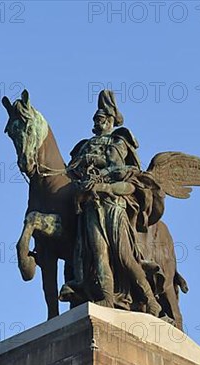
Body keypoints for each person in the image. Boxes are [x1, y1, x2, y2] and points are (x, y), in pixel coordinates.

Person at [59, 90, 165, 317]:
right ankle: (106, 297)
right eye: (95, 118)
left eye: (100, 118)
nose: (96, 122)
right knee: (98, 251)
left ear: (110, 120)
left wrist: (99, 170)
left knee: (124, 256)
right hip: (90, 205)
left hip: (113, 205)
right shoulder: (84, 146)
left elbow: (118, 168)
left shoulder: (118, 140)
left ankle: (150, 301)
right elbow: (69, 172)